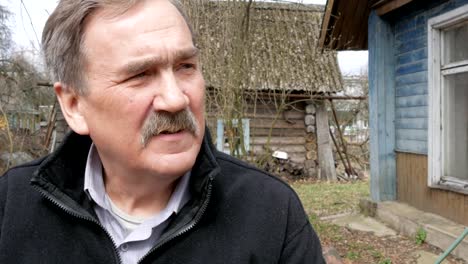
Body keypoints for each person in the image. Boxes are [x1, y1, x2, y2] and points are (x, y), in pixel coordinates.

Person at [0, 0, 325, 263]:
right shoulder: (11, 207)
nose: (175, 99)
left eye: (185, 67)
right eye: (140, 74)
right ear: (73, 105)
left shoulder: (270, 212)